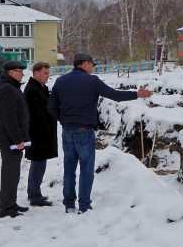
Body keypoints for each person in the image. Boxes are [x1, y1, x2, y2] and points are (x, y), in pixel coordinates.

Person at [49, 53, 152, 214]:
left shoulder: (60, 81)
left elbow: (51, 107)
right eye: (92, 64)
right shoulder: (92, 81)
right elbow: (115, 95)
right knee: (86, 168)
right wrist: (137, 94)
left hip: (67, 130)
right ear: (84, 64)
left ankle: (69, 204)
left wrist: (63, 120)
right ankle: (84, 205)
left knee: (69, 168)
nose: (93, 67)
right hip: (84, 131)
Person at [0, 60, 30, 218]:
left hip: (12, 139)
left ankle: (11, 203)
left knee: (13, 173)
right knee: (10, 173)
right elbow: (9, 119)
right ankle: (6, 208)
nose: (22, 73)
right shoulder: (7, 89)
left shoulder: (11, 87)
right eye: (19, 71)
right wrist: (17, 140)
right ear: (10, 72)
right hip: (10, 140)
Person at [24, 62, 58, 207]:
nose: (47, 76)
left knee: (39, 164)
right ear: (36, 73)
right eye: (45, 73)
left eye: (48, 73)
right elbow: (38, 114)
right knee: (38, 165)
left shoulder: (40, 87)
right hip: (37, 134)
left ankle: (34, 192)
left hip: (41, 134)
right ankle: (34, 195)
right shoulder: (32, 89)